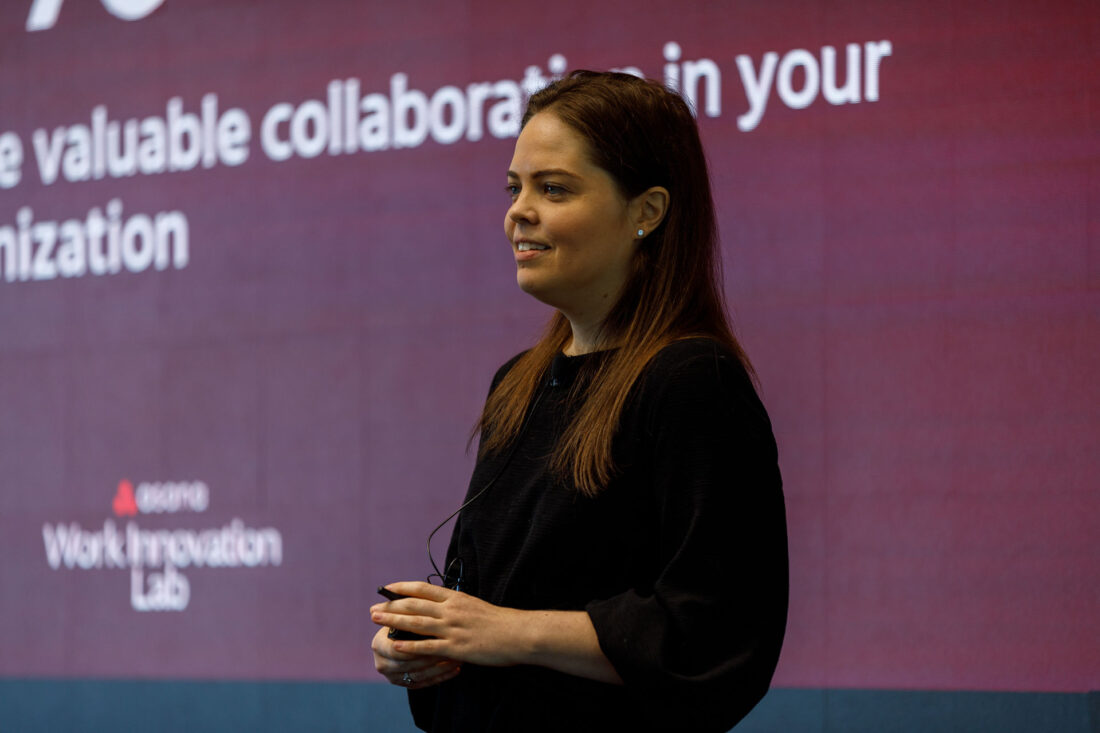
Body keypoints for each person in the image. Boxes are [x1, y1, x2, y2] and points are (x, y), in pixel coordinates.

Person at [370, 70, 788, 733]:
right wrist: (425, 641)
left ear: (646, 212)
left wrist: (506, 632)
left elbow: (714, 632)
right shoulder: (517, 383)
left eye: (554, 188)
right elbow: (480, 601)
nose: (519, 211)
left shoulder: (692, 381)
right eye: (515, 187)